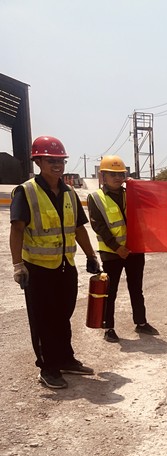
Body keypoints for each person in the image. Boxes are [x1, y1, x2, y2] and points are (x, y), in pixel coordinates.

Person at [9, 136, 102, 389]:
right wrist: (18, 265)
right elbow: (17, 229)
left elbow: (79, 228)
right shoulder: (26, 191)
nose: (57, 165)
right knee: (44, 319)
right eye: (51, 160)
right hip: (38, 269)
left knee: (63, 315)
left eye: (61, 160)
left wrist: (91, 256)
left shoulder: (69, 192)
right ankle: (47, 368)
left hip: (65, 266)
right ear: (38, 161)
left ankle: (65, 359)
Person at [88, 155, 159, 342]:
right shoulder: (96, 198)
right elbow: (99, 226)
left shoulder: (132, 193)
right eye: (113, 174)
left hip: (135, 250)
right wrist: (117, 247)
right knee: (110, 291)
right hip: (111, 253)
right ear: (103, 176)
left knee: (136, 288)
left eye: (121, 174)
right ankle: (108, 327)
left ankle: (141, 322)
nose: (118, 178)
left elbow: (154, 203)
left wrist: (139, 187)